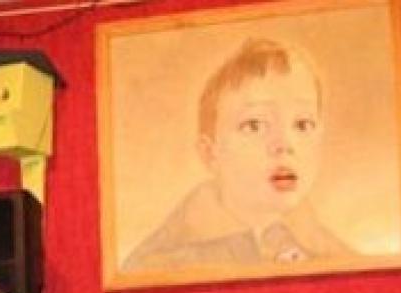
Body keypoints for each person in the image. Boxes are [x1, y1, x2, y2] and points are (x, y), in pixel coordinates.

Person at [121, 38, 353, 272]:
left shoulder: (340, 259)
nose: (284, 144)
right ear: (210, 154)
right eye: (254, 125)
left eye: (303, 124)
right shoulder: (158, 265)